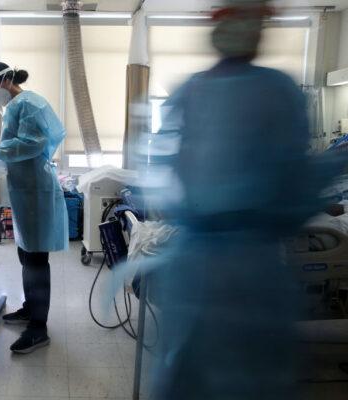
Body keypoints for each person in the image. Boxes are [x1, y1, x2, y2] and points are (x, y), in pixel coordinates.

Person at [130, 1, 347, 398]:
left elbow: (162, 179)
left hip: (224, 268)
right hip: (235, 267)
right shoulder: (203, 93)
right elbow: (295, 189)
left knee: (212, 374)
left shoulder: (270, 92)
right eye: (230, 14)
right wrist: (332, 166)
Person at [0, 62, 68, 354]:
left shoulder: (29, 102)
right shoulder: (16, 106)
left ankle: (39, 328)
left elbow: (32, 142)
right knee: (25, 253)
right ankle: (30, 309)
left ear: (4, 81)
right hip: (26, 189)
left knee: (36, 259)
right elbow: (21, 144)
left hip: (36, 189)